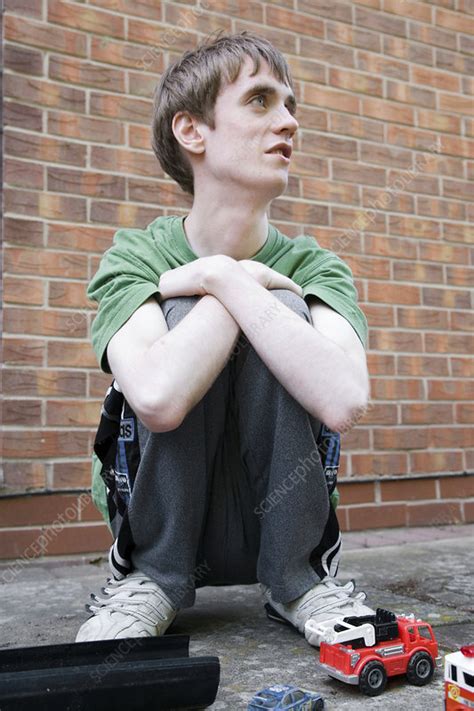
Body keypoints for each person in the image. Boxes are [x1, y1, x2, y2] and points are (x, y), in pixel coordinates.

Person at [76, 30, 374, 646]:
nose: (289, 122)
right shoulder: (136, 257)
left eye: (291, 106)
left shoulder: (315, 267)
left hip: (280, 520)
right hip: (170, 523)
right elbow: (157, 398)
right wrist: (226, 285)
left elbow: (344, 400)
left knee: (284, 308)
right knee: (188, 312)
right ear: (193, 132)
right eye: (261, 102)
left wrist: (225, 276)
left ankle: (298, 582)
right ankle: (151, 578)